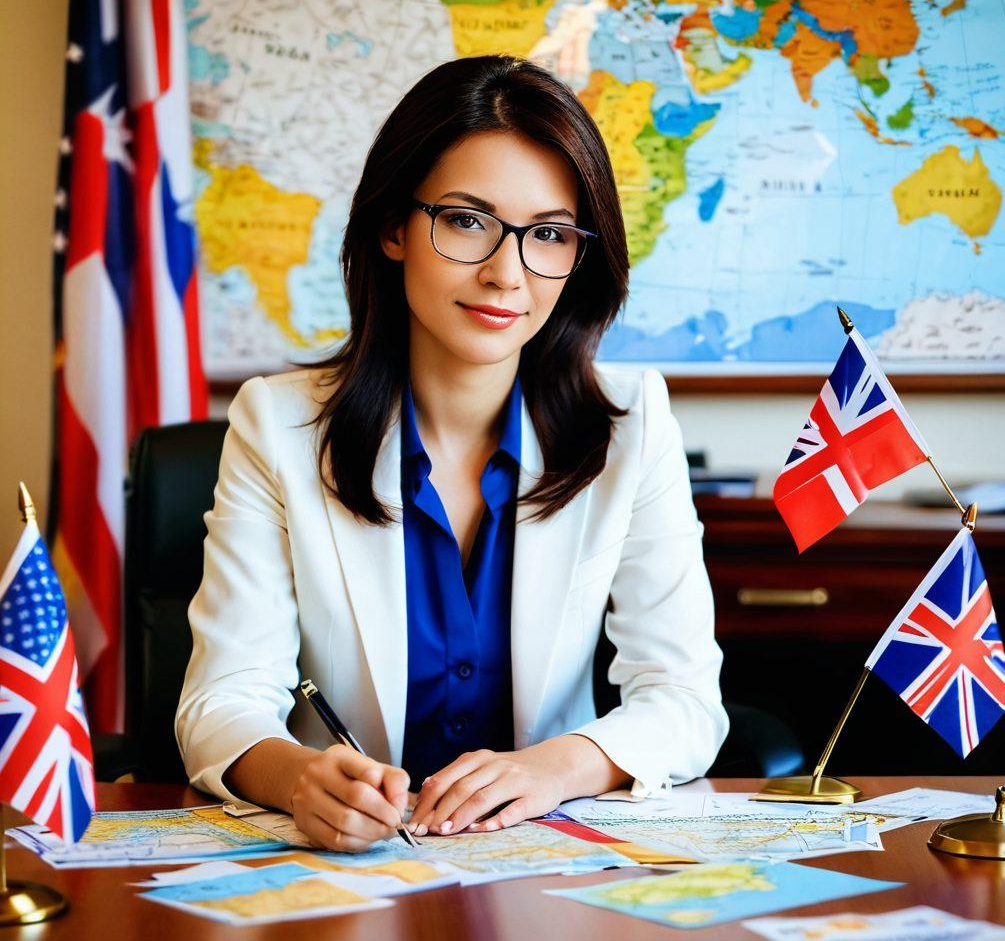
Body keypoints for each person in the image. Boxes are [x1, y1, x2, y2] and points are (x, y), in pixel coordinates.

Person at [175, 54, 727, 853]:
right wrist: (299, 778)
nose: (507, 274)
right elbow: (220, 701)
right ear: (395, 227)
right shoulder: (277, 425)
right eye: (467, 220)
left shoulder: (632, 424)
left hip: (546, 862)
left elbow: (684, 698)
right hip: (347, 870)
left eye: (548, 234)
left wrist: (558, 767)